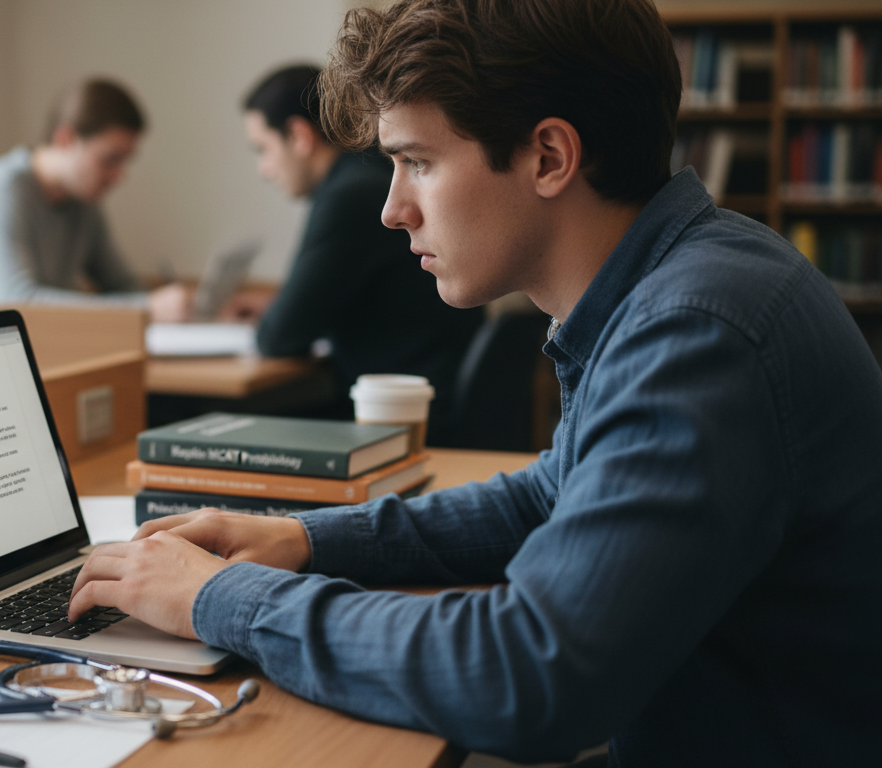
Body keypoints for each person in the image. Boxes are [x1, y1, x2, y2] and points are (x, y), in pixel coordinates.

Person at [67, 1, 882, 765]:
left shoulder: (699, 331)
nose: (392, 210)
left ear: (549, 156)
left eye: (417, 161)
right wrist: (303, 540)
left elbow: (531, 672)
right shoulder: (678, 282)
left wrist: (223, 599)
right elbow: (547, 497)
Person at [236, 65, 482, 433]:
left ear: (300, 136)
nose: (264, 170)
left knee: (229, 426)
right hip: (424, 399)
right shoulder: (369, 174)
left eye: (263, 149)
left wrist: (275, 315)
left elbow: (279, 337)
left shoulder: (350, 196)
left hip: (405, 418)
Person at [0, 78, 191, 321]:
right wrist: (145, 309)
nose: (119, 176)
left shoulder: (84, 204)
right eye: (110, 160)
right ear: (66, 139)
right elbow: (18, 302)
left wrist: (192, 307)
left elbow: (121, 285)